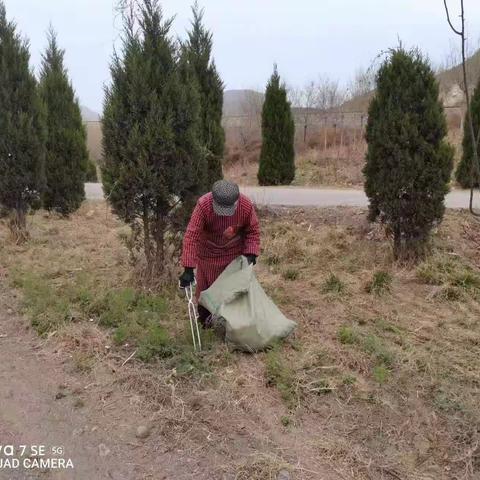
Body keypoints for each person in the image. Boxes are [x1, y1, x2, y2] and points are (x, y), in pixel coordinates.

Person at [179, 180, 260, 326]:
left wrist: (251, 252)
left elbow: (252, 230)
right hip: (208, 254)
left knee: (233, 291)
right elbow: (192, 235)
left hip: (234, 256)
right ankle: (205, 319)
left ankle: (233, 323)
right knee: (206, 290)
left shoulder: (246, 205)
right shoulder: (203, 205)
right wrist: (188, 268)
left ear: (236, 201)